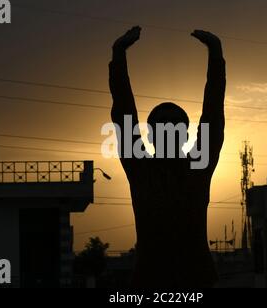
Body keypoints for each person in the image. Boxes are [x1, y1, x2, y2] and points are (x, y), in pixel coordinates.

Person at [109, 26, 226, 288]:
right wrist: (118, 54)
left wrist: (216, 54)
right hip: (157, 281)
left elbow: (213, 114)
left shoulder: (193, 166)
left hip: (188, 280)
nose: (169, 131)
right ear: (150, 135)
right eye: (163, 126)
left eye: (174, 126)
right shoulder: (147, 169)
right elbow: (123, 111)